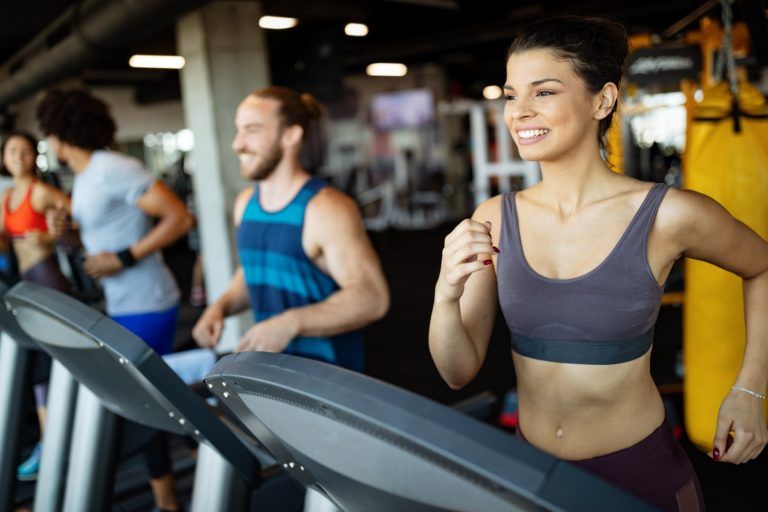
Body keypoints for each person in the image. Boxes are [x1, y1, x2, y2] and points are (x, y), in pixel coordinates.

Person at [428, 16, 768, 512]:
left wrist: (751, 390)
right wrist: (445, 293)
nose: (519, 111)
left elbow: (761, 266)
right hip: (533, 477)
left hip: (638, 476)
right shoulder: (495, 219)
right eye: (510, 95)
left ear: (602, 101)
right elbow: (457, 371)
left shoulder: (668, 215)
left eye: (543, 92)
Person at [37, 88, 193, 512]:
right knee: (151, 398)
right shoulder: (86, 179)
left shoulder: (112, 168)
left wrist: (124, 258)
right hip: (125, 303)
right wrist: (65, 235)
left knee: (144, 402)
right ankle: (193, 460)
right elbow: (96, 248)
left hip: (150, 299)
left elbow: (179, 217)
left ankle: (169, 499)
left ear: (60, 133)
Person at [193, 86, 389, 371]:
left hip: (326, 380)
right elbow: (254, 270)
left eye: (252, 130)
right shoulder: (246, 203)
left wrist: (291, 323)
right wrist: (220, 307)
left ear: (290, 136)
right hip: (274, 373)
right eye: (238, 130)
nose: (237, 144)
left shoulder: (326, 208)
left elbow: (372, 298)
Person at [0, 131, 71, 481]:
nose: (20, 156)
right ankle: (50, 439)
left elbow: (74, 217)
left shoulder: (40, 192)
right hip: (25, 283)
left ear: (35, 157)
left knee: (51, 363)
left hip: (48, 280)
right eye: (13, 151)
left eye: (27, 151)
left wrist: (54, 235)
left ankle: (55, 442)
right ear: (4, 158)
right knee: (39, 365)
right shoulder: (7, 197)